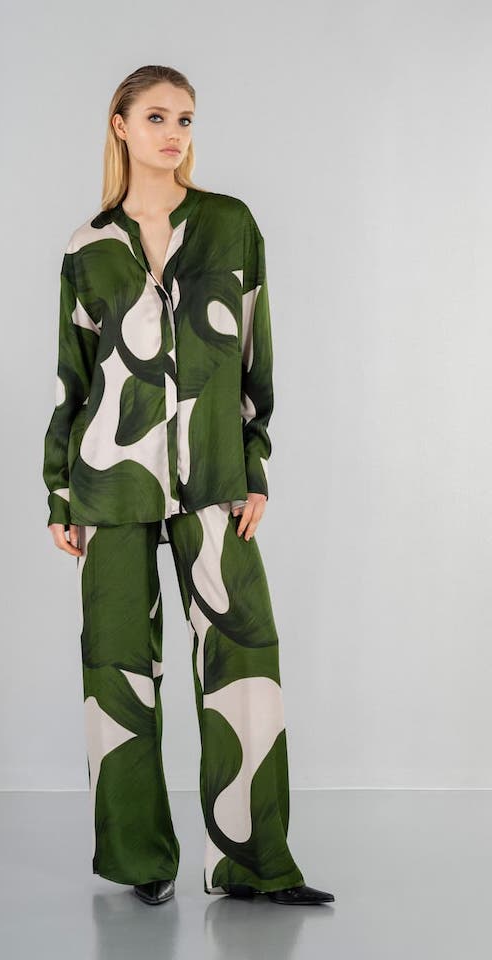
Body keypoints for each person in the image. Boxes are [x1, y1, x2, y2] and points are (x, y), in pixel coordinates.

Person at [43, 64, 335, 908]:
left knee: (244, 660)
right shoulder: (88, 246)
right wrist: (60, 493)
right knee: (118, 673)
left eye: (186, 118)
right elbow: (72, 380)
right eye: (158, 117)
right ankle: (141, 860)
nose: (174, 132)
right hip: (109, 488)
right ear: (121, 125)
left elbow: (252, 354)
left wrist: (254, 464)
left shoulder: (230, 226)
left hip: (212, 481)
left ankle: (254, 865)